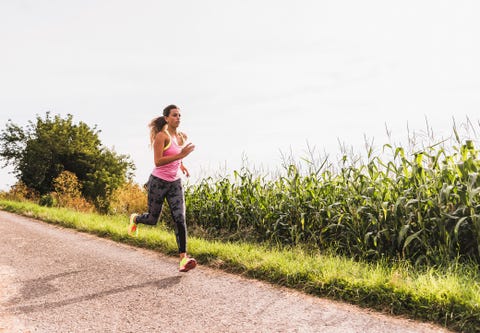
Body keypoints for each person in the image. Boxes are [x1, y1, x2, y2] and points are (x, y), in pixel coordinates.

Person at [128, 104, 197, 272]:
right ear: (166, 118)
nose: (178, 118)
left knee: (180, 218)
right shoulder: (161, 136)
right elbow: (158, 161)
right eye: (174, 115)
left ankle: (183, 259)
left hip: (175, 183)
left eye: (179, 115)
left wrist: (181, 165)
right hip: (158, 182)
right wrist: (180, 156)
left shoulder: (181, 137)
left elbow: (175, 154)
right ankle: (135, 219)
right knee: (152, 219)